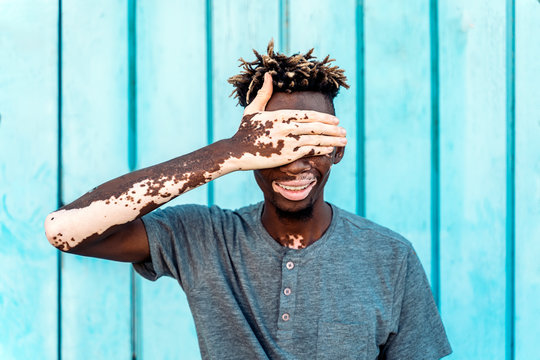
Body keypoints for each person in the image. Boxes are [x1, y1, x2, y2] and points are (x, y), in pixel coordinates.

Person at [45, 41, 452, 359]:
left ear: (337, 151)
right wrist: (225, 153)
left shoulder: (390, 257)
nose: (294, 164)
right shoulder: (203, 237)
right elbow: (64, 231)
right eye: (276, 147)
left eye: (311, 144)